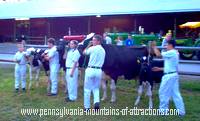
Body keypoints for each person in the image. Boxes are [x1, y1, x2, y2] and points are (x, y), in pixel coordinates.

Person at [152, 40, 185, 116]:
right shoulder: (175, 53)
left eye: (167, 45)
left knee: (163, 92)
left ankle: (163, 111)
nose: (166, 47)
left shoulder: (171, 52)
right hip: (173, 75)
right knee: (176, 94)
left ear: (170, 45)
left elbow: (158, 55)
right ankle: (181, 112)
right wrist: (159, 69)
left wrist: (154, 47)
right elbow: (170, 66)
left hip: (169, 76)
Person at [83, 34, 106, 110]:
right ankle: (96, 102)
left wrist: (89, 45)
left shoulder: (92, 48)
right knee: (96, 88)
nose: (92, 41)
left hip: (90, 69)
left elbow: (84, 52)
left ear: (98, 41)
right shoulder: (103, 50)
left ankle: (87, 107)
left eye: (94, 40)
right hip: (99, 70)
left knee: (87, 89)